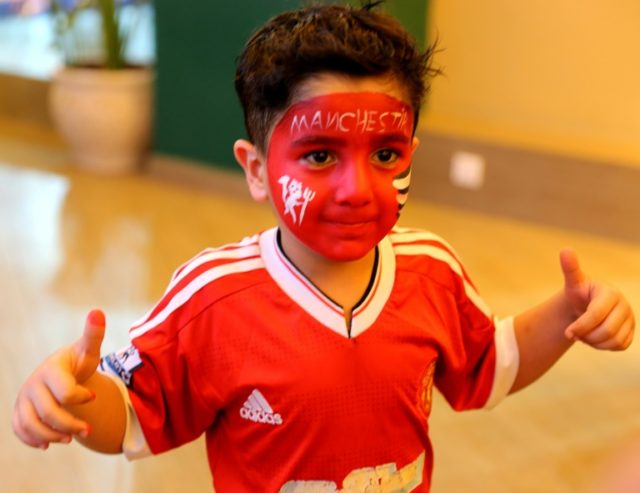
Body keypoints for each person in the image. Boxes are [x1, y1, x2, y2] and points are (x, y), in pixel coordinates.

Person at [12, 3, 635, 492]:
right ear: (256, 169)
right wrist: (71, 397)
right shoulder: (211, 298)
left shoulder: (432, 271)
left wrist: (565, 319)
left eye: (386, 154)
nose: (356, 190)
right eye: (318, 156)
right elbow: (136, 413)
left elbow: (488, 366)